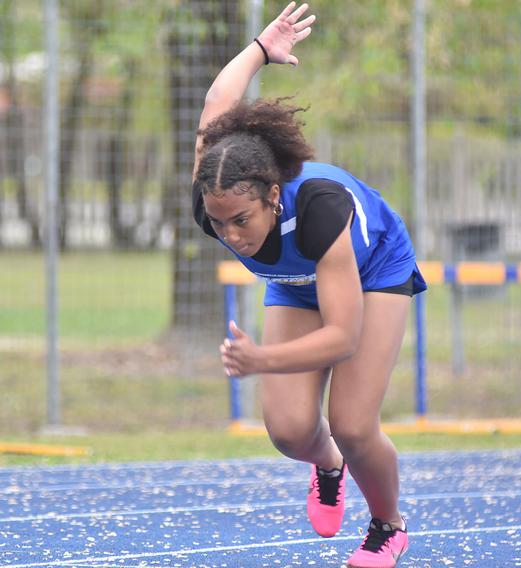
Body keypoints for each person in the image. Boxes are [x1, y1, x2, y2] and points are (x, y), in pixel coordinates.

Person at [191, 3, 427, 567]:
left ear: (273, 196)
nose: (230, 235)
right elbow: (216, 106)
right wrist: (259, 48)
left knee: (351, 423)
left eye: (240, 221)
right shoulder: (215, 191)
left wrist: (262, 360)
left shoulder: (320, 209)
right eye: (218, 222)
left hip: (373, 272)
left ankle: (387, 526)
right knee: (291, 431)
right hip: (298, 281)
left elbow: (343, 337)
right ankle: (327, 465)